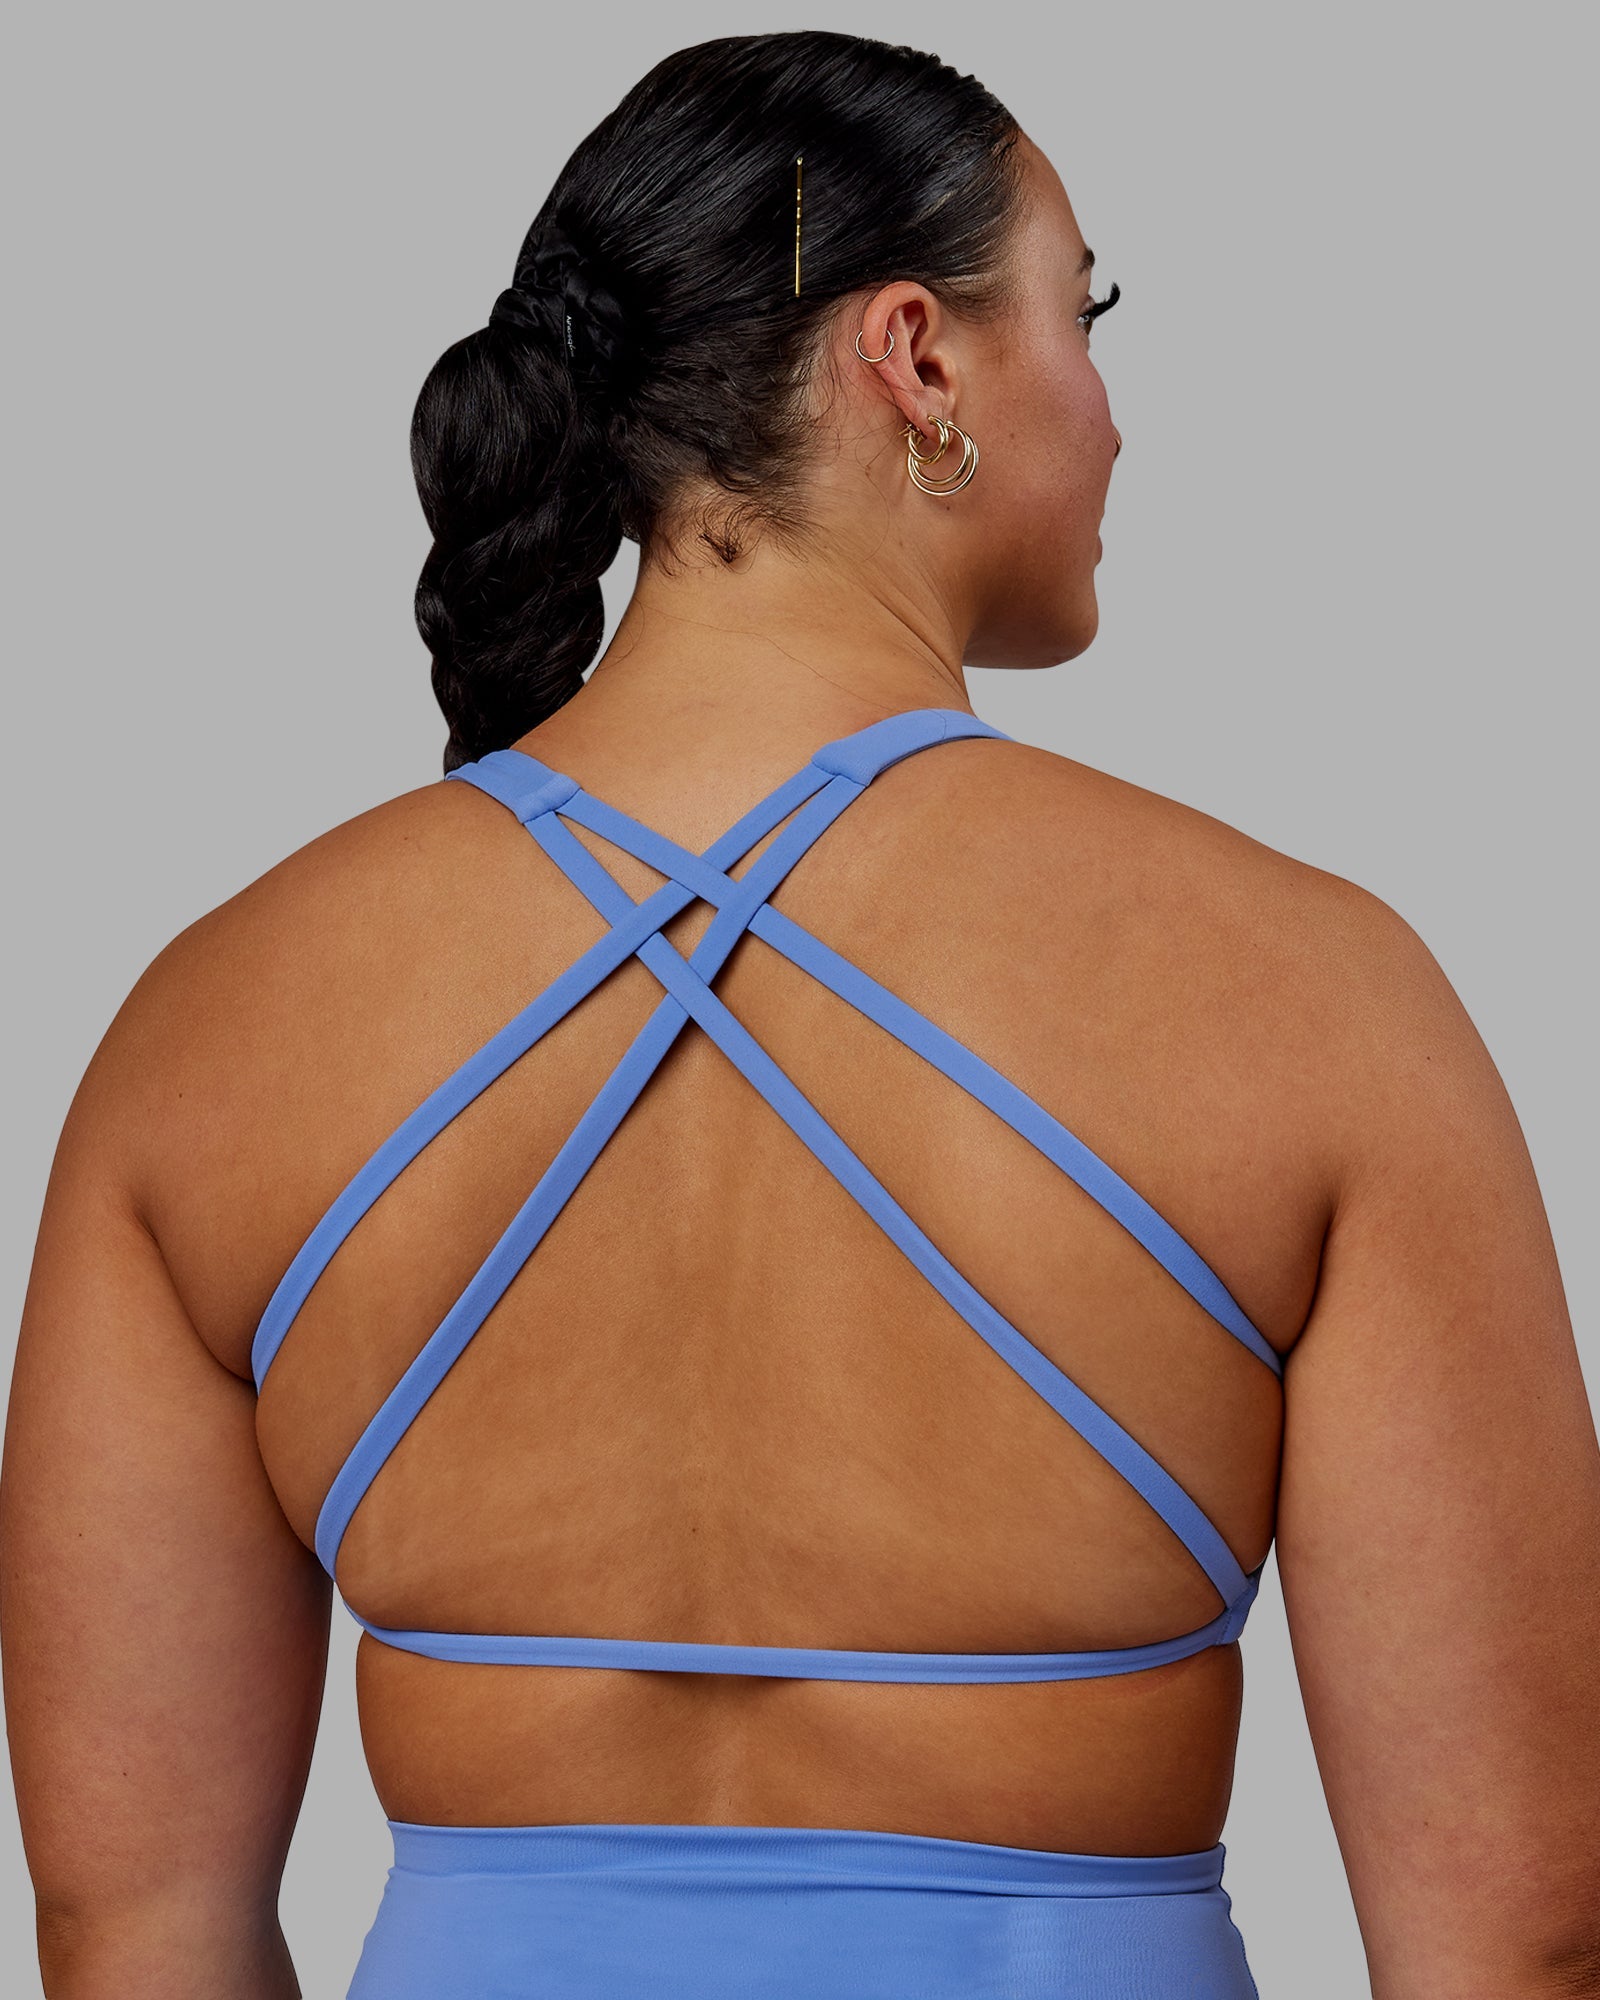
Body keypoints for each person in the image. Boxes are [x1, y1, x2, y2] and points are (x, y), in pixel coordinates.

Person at [3, 27, 1596, 2000]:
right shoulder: (1314, 999)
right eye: (1081, 314)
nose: (1111, 417)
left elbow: (129, 1928)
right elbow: (1516, 1941)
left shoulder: (212, 1027)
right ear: (917, 358)